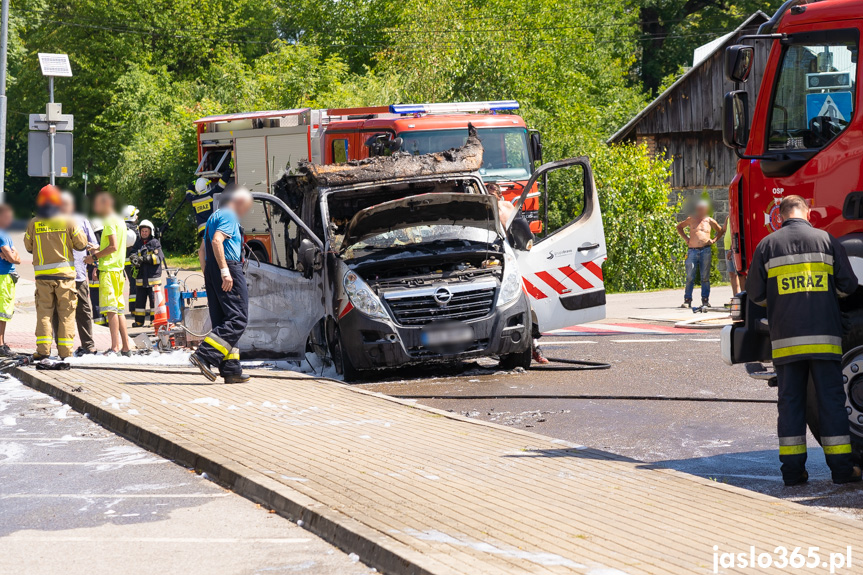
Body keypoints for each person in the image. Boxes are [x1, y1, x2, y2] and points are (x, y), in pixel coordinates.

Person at [747, 195, 861, 486]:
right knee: (832, 404)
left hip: (786, 342)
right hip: (825, 340)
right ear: (806, 212)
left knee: (791, 406)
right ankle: (842, 471)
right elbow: (848, 286)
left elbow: (756, 295)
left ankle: (793, 474)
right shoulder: (826, 240)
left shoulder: (767, 246)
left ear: (782, 215)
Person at [189, 188, 252, 383]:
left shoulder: (213, 217)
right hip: (228, 267)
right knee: (238, 318)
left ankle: (231, 369)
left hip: (212, 269)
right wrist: (225, 271)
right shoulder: (229, 215)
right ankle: (204, 355)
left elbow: (202, 251)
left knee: (223, 319)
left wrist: (210, 274)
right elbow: (217, 241)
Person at [486, 183, 548, 364]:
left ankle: (535, 347)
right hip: (491, 261)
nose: (490, 198)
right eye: (487, 194)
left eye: (492, 195)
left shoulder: (506, 209)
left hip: (509, 260)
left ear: (499, 195)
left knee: (524, 303)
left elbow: (523, 232)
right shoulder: (482, 211)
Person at [23, 185, 87, 359]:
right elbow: (81, 244)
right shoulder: (68, 221)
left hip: (43, 278)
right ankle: (66, 352)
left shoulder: (34, 222)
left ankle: (43, 351)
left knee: (44, 314)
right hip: (65, 277)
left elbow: (28, 247)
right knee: (66, 314)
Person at [86, 193, 132, 356]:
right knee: (119, 310)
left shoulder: (109, 221)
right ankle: (126, 347)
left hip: (109, 271)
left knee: (111, 311)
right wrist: (97, 248)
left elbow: (112, 247)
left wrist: (93, 257)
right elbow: (115, 246)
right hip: (118, 270)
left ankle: (115, 347)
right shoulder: (119, 220)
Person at [54, 192, 99, 356]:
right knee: (59, 312)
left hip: (79, 275)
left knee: (84, 311)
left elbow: (95, 246)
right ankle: (62, 348)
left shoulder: (82, 221)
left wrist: (94, 262)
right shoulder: (53, 222)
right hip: (59, 275)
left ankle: (88, 345)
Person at [676, 199, 724, 308]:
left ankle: (705, 300)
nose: (700, 210)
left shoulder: (709, 220)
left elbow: (720, 230)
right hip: (692, 250)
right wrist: (686, 239)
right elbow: (679, 227)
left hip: (705, 250)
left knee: (705, 276)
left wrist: (714, 240)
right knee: (690, 276)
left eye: (703, 208)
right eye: (699, 208)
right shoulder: (691, 219)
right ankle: (687, 300)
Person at [187, 165, 233, 271]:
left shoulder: (194, 200)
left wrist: (191, 185)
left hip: (203, 231)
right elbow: (222, 183)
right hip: (212, 228)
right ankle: (212, 272)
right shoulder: (211, 195)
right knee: (213, 250)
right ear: (207, 186)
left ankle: (205, 273)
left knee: (202, 251)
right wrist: (229, 169)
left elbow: (188, 194)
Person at [131, 219, 164, 327]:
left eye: (146, 231)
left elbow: (159, 258)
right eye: (142, 231)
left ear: (151, 232)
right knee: (139, 302)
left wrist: (144, 259)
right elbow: (133, 253)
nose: (144, 233)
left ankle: (153, 321)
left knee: (153, 302)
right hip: (141, 280)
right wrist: (134, 258)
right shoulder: (137, 243)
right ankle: (139, 321)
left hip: (152, 279)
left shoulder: (155, 243)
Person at [0, 204, 21, 356]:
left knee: (5, 312)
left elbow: (16, 259)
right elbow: (13, 257)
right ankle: (0, 345)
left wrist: (12, 256)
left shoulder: (5, 234)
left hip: (7, 275)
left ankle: (1, 343)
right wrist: (12, 256)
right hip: (3, 276)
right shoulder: (1, 234)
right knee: (2, 312)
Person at [88, 218, 107, 327]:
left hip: (95, 271)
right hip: (102, 271)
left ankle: (100, 324)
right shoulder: (104, 234)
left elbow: (96, 253)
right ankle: (105, 323)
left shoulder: (95, 236)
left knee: (96, 298)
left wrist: (95, 268)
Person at [122, 205, 140, 318]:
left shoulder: (121, 227)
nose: (138, 217)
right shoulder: (134, 228)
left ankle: (133, 308)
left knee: (132, 285)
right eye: (136, 215)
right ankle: (135, 309)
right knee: (136, 285)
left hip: (125, 262)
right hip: (134, 261)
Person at [721, 216, 741, 299]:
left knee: (739, 274)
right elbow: (724, 229)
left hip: (733, 248)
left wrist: (731, 249)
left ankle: (741, 296)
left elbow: (735, 232)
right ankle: (735, 297)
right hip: (727, 248)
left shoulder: (735, 217)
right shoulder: (729, 217)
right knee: (731, 273)